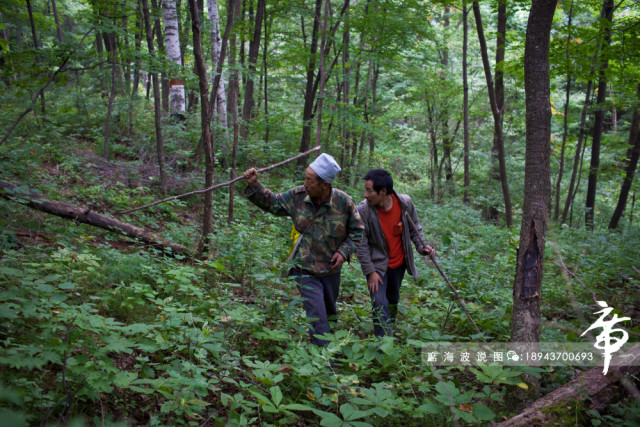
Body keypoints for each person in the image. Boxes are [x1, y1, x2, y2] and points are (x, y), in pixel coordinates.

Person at [243, 153, 364, 346]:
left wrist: (344, 252)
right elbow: (273, 203)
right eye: (305, 178)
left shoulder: (344, 203)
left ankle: (328, 348)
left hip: (331, 270)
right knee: (316, 314)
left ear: (325, 184)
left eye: (310, 180)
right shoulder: (298, 196)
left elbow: (358, 232)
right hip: (304, 268)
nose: (305, 183)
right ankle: (324, 362)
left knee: (329, 314)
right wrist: (255, 185)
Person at [356, 169, 435, 338]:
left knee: (393, 299)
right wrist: (370, 272)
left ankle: (390, 327)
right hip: (377, 266)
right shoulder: (364, 211)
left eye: (369, 190)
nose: (366, 194)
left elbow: (415, 229)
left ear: (383, 191)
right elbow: (361, 244)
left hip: (398, 265)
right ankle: (382, 344)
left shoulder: (404, 203)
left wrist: (423, 247)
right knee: (378, 302)